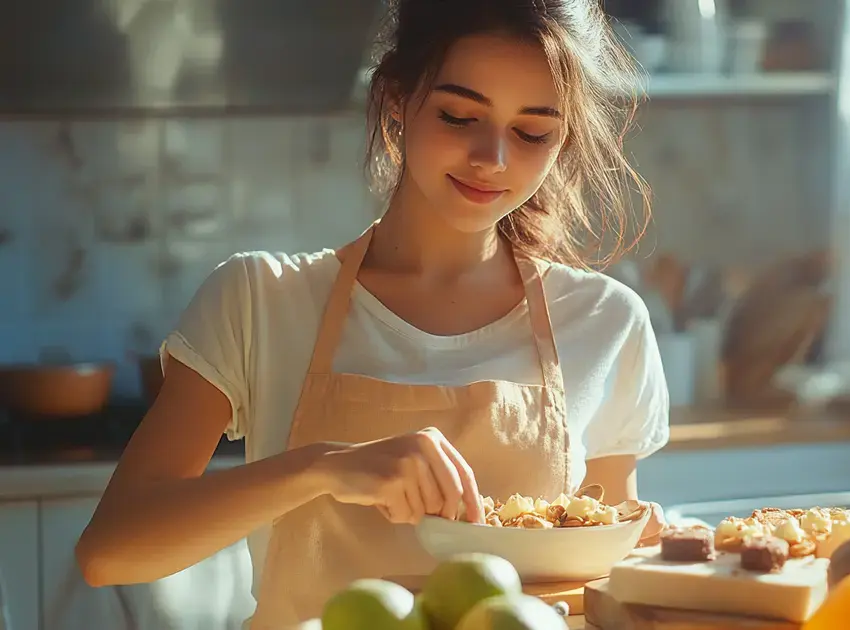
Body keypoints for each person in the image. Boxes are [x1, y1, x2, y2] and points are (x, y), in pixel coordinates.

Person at [76, 0, 671, 627]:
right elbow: (109, 552)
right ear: (395, 101)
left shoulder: (606, 322)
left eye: (532, 132)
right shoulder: (259, 300)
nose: (493, 157)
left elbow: (601, 584)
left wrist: (660, 555)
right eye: (459, 115)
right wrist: (321, 467)